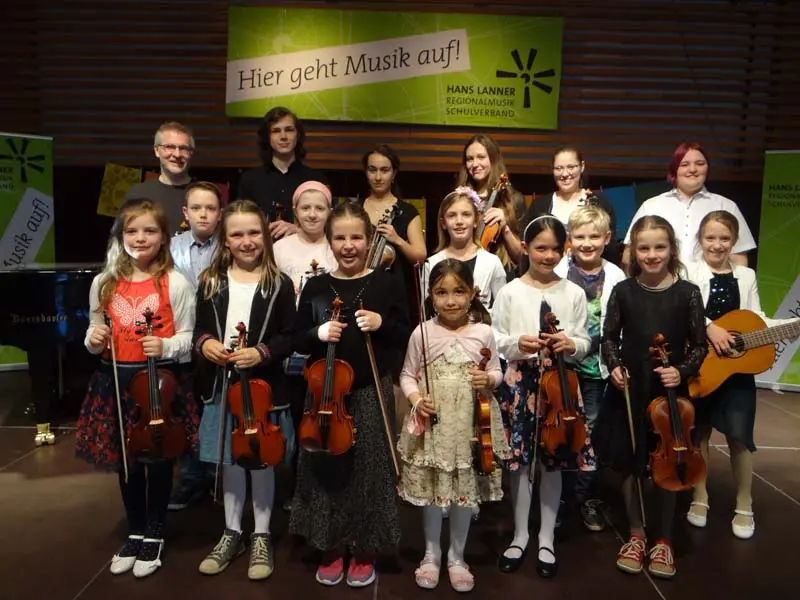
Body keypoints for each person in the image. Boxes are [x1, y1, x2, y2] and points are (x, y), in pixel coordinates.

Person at [75, 198, 198, 578]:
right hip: (115, 381)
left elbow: (188, 338)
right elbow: (93, 330)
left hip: (158, 383)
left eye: (149, 230)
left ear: (163, 238)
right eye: (132, 231)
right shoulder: (104, 282)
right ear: (120, 236)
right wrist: (94, 339)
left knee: (158, 459)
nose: (140, 238)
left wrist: (165, 345)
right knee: (126, 462)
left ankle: (155, 532)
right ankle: (135, 529)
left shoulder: (176, 282)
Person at [289, 201, 410, 588]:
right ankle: (330, 545)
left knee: (369, 471)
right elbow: (296, 337)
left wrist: (381, 322)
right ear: (329, 241)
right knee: (326, 468)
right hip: (325, 397)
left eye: (356, 237)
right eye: (339, 238)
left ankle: (364, 548)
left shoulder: (385, 283)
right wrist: (317, 333)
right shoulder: (316, 286)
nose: (348, 246)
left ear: (369, 239)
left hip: (369, 390)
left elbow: (405, 333)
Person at [597, 215, 707, 579]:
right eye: (644, 248)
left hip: (669, 390)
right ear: (634, 251)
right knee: (633, 460)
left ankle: (664, 538)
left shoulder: (688, 293)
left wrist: (682, 371)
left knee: (671, 460)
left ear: (672, 249)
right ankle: (636, 533)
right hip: (631, 387)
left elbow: (699, 346)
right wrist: (614, 366)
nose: (652, 254)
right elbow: (609, 339)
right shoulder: (623, 291)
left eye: (660, 247)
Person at [193, 200, 296, 580]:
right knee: (231, 460)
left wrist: (261, 352)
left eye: (254, 232)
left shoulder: (278, 283)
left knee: (260, 459)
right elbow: (200, 328)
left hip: (262, 387)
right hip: (223, 387)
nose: (247, 241)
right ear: (225, 239)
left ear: (265, 236)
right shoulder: (211, 281)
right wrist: (206, 344)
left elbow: (290, 335)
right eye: (237, 234)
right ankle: (232, 531)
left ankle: (261, 534)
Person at [685, 210, 799, 540]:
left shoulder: (746, 276)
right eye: (710, 238)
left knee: (740, 437)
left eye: (724, 238)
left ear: (734, 241)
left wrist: (789, 327)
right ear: (700, 239)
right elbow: (685, 310)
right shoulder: (688, 271)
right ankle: (699, 497)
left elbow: (755, 319)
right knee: (699, 434)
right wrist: (711, 328)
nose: (717, 245)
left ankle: (745, 503)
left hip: (736, 371)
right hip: (702, 365)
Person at [397, 259, 509, 592]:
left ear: (472, 293)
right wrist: (417, 399)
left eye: (459, 292)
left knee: (464, 491)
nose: (450, 301)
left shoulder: (484, 332)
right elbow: (407, 375)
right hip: (435, 425)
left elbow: (497, 371)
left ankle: (457, 557)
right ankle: (431, 554)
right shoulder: (422, 332)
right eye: (441, 293)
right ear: (430, 296)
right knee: (433, 491)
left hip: (470, 425)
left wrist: (489, 378)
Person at [492, 216, 592, 578]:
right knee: (520, 464)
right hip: (520, 383)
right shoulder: (510, 291)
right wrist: (517, 342)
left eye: (554, 249)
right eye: (540, 248)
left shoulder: (573, 292)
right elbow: (496, 338)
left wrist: (571, 343)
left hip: (559, 386)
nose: (548, 255)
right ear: (526, 249)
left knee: (554, 460)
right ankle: (520, 534)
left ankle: (546, 537)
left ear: (565, 249)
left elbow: (585, 340)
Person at [554, 205, 626, 532]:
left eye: (594, 237)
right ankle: (558, 497)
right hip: (562, 367)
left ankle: (585, 497)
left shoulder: (616, 275)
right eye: (580, 236)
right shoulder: (558, 269)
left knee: (592, 432)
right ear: (569, 238)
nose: (587, 243)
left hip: (596, 369)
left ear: (607, 238)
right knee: (560, 431)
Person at [167, 181, 223, 510]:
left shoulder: (229, 246)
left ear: (220, 214)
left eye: (211, 208)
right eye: (197, 208)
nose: (204, 214)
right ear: (185, 212)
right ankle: (190, 479)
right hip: (180, 340)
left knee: (214, 410)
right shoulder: (170, 247)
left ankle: (217, 476)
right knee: (185, 413)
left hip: (215, 339)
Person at [622, 142, 756, 271]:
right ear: (675, 169)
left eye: (700, 164)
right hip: (661, 284)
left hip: (709, 284)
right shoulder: (651, 205)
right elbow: (629, 255)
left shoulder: (726, 206)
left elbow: (738, 258)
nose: (692, 169)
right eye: (684, 164)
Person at [237, 106, 328, 240]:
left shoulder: (316, 180)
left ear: (298, 135)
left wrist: (299, 230)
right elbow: (239, 224)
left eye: (289, 130)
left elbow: (329, 226)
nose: (283, 136)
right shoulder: (249, 180)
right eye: (276, 131)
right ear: (268, 137)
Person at [360, 144, 427, 320]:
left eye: (384, 170)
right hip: (359, 288)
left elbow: (420, 256)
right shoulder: (355, 210)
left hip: (396, 293)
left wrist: (397, 239)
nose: (378, 177)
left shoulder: (408, 211)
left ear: (394, 174)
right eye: (372, 170)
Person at [522, 146, 620, 265]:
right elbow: (529, 244)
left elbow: (611, 247)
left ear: (582, 166)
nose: (564, 173)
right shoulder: (539, 206)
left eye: (571, 167)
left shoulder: (600, 203)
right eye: (558, 168)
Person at [422, 188, 506, 311]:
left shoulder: (492, 262)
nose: (459, 221)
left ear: (476, 220)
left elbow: (502, 310)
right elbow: (427, 310)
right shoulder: (431, 264)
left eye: (466, 214)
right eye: (452, 215)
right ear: (443, 223)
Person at [457, 134, 525, 275]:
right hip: (466, 272)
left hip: (502, 274)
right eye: (470, 159)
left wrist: (505, 228)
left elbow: (521, 258)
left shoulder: (514, 199)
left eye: (481, 157)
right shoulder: (461, 198)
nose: (475, 164)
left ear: (493, 160)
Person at [125, 121, 196, 234]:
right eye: (169, 147)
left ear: (191, 153)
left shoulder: (205, 194)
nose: (177, 154)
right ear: (156, 151)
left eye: (183, 148)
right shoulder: (138, 194)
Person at [272, 181, 338, 297]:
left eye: (320, 208)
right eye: (305, 208)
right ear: (295, 211)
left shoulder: (337, 247)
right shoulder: (279, 248)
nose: (312, 215)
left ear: (329, 212)